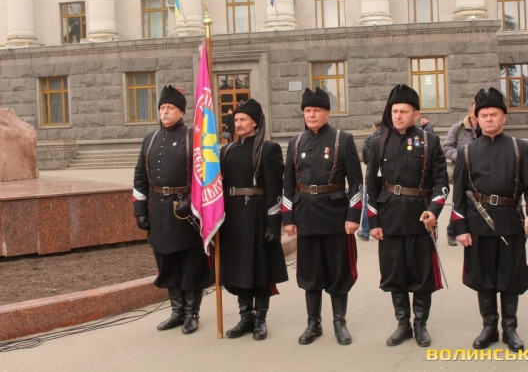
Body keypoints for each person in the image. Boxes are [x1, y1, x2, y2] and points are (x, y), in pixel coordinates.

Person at [451, 87, 528, 352]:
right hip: (478, 226)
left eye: (494, 114)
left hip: (511, 224)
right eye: (484, 115)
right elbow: (458, 197)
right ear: (476, 118)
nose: (489, 119)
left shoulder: (520, 149)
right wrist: (460, 228)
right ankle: (489, 327)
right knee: (484, 279)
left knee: (510, 278)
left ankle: (510, 329)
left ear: (504, 117)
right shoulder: (466, 152)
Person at [366, 84, 449, 347]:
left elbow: (441, 183)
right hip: (389, 217)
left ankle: (420, 324)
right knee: (395, 274)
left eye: (403, 111)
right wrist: (374, 222)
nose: (398, 116)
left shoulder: (430, 142)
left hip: (419, 217)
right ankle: (403, 324)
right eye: (394, 111)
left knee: (422, 276)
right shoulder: (379, 142)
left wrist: (434, 211)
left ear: (416, 114)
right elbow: (371, 186)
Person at [282, 87, 363, 346]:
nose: (311, 115)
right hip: (305, 216)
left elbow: (356, 183)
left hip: (335, 216)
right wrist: (288, 218)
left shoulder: (343, 140)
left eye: (316, 110)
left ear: (327, 112)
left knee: (338, 272)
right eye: (307, 111)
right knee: (310, 273)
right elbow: (288, 184)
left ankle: (340, 323)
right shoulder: (295, 143)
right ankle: (313, 324)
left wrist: (353, 215)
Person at [133, 85, 213, 335]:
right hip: (158, 211)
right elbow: (139, 176)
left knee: (190, 264)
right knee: (166, 262)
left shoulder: (193, 137)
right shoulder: (150, 139)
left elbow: (206, 175)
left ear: (181, 112)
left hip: (186, 213)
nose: (165, 112)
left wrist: (193, 201)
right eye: (162, 107)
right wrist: (140, 210)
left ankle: (192, 313)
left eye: (170, 108)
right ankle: (177, 311)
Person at [219, 99, 288, 341]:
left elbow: (275, 189)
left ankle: (260, 319)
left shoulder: (268, 149)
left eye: (243, 120)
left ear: (255, 123)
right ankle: (245, 317)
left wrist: (273, 223)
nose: (237, 124)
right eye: (236, 119)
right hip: (233, 218)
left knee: (259, 270)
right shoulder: (226, 151)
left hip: (258, 215)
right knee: (239, 270)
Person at [441, 101, 479, 246]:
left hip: (480, 172)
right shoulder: (458, 128)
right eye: (477, 109)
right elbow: (446, 148)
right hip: (462, 171)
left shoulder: (485, 128)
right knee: (459, 202)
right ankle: (452, 232)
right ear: (471, 112)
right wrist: (463, 156)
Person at [357, 121, 382, 241]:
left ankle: (365, 231)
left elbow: (366, 158)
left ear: (374, 127)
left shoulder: (368, 140)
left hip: (371, 176)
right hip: (387, 178)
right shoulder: (389, 137)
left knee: (368, 203)